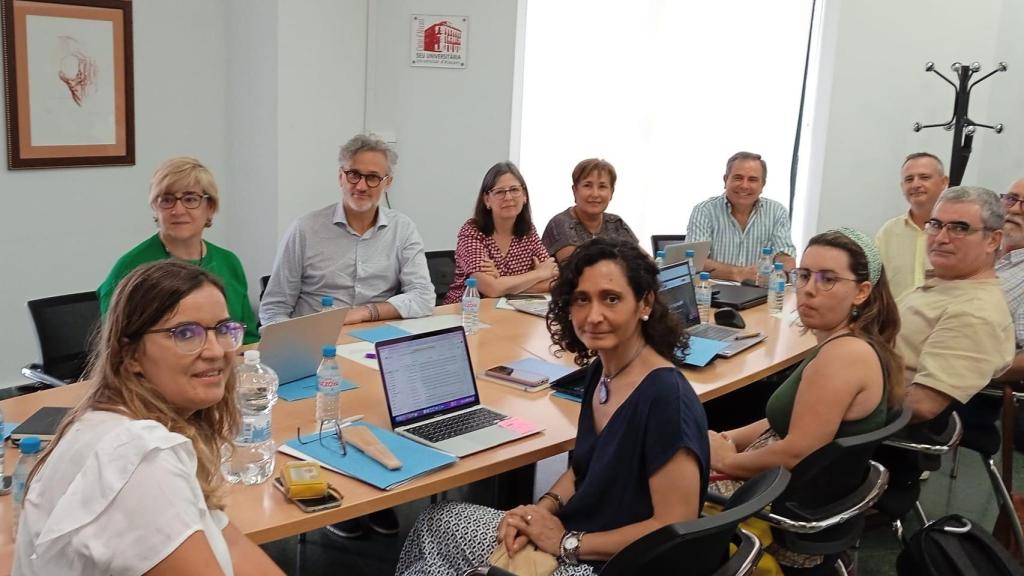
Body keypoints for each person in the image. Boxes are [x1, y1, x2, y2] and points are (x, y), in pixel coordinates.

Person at [398, 238, 709, 575]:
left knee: (441, 541)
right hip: (577, 536)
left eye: (611, 299)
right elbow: (582, 471)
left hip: (614, 564)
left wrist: (567, 543)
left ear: (644, 303)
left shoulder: (665, 398)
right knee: (437, 522)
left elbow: (674, 526)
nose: (594, 316)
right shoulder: (601, 373)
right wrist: (540, 510)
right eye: (581, 300)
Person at [15, 261, 283, 575]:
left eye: (223, 330)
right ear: (130, 356)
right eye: (185, 333)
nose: (215, 351)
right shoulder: (141, 462)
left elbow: (231, 544)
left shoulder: (117, 423)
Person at [708, 228, 905, 574]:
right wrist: (730, 439)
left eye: (828, 279)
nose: (809, 289)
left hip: (777, 499)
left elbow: (797, 450)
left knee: (650, 473)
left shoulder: (843, 357)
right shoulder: (849, 342)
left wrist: (727, 460)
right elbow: (785, 418)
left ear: (861, 292)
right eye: (804, 275)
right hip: (791, 484)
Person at [260, 133, 435, 326]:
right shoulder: (304, 230)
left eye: (373, 178)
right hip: (316, 338)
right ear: (340, 177)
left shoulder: (402, 229)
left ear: (388, 183)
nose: (361, 186)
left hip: (375, 339)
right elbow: (274, 308)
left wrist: (364, 313)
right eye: (354, 175)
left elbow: (423, 296)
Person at [97, 157, 259, 344]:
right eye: (167, 200)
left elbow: (247, 338)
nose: (178, 210)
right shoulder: (131, 267)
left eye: (190, 199)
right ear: (155, 208)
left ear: (210, 207)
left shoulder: (229, 262)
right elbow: (116, 346)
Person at [896, 186, 1015, 423]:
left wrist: (844, 395)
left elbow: (921, 405)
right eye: (936, 225)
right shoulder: (948, 284)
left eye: (959, 228)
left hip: (865, 430)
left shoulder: (975, 313)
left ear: (993, 240)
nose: (941, 238)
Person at [442, 162, 558, 304]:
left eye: (514, 190)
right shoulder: (472, 231)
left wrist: (502, 283)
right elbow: (491, 288)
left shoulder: (528, 232)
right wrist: (538, 274)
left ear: (524, 196)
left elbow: (553, 280)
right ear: (487, 200)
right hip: (464, 313)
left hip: (509, 312)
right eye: (500, 192)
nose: (508, 197)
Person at [686, 151, 797, 281]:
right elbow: (695, 261)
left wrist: (780, 274)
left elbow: (785, 256)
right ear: (726, 180)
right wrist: (739, 273)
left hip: (760, 292)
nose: (744, 185)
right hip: (713, 293)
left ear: (762, 185)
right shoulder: (704, 211)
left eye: (752, 179)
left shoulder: (777, 212)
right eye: (738, 178)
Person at [875, 152, 950, 299]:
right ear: (902, 186)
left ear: (944, 182)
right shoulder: (888, 232)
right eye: (909, 179)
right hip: (895, 320)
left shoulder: (956, 233)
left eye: (924, 177)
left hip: (944, 320)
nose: (915, 184)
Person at [541, 158, 638, 262]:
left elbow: (643, 261)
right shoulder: (560, 223)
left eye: (602, 186)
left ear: (611, 192)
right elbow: (577, 270)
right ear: (575, 191)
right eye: (587, 185)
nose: (595, 194)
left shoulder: (615, 222)